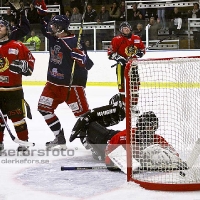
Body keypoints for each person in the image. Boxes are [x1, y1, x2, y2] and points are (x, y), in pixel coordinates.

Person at [33, 0, 94, 150]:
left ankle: (90, 141)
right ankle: (59, 138)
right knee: (44, 108)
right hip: (53, 84)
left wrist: (81, 57)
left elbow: (89, 64)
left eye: (54, 25)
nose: (51, 27)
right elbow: (44, 24)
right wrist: (42, 12)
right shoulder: (54, 36)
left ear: (61, 28)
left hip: (71, 86)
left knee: (83, 116)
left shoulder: (74, 41)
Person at [69, 94, 186, 171]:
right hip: (105, 138)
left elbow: (173, 153)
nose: (150, 130)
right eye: (147, 126)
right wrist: (132, 165)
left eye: (153, 127)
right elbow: (109, 161)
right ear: (140, 126)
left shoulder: (156, 139)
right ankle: (87, 138)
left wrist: (177, 161)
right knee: (90, 127)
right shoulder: (124, 138)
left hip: (114, 136)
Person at [0, 19, 35, 153]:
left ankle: (23, 142)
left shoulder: (17, 46)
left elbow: (30, 61)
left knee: (17, 118)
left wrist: (26, 67)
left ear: (7, 29)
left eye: (2, 26)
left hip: (13, 90)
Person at [107, 21, 145, 112]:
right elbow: (110, 53)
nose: (126, 29)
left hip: (133, 65)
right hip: (121, 66)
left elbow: (142, 50)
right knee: (122, 86)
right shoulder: (116, 39)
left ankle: (134, 105)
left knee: (135, 86)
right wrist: (119, 58)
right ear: (121, 30)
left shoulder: (136, 38)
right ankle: (124, 105)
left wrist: (140, 53)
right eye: (124, 28)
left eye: (128, 27)